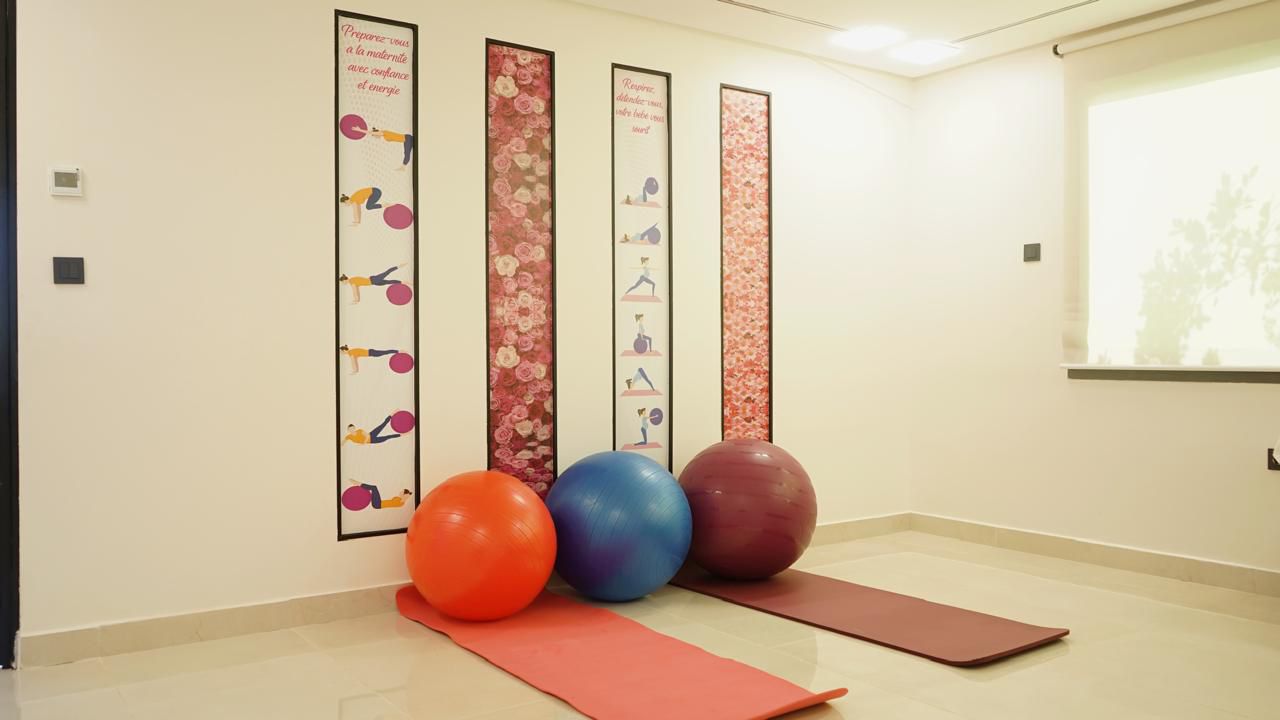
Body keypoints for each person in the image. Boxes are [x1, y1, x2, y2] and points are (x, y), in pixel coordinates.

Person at [339, 263, 409, 303]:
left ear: (344, 280)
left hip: (374, 280)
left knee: (387, 273)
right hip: (374, 282)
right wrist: (357, 299)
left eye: (342, 282)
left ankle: (399, 266)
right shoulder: (352, 280)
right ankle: (403, 282)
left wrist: (356, 299)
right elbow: (357, 290)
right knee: (388, 281)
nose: (343, 284)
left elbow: (355, 291)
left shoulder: (352, 281)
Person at [347, 479, 411, 509]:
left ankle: (358, 484)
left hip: (378, 504)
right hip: (379, 502)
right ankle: (359, 486)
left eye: (401, 492)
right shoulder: (399, 499)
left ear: (405, 495)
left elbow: (406, 497)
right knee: (373, 489)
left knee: (374, 488)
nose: (400, 492)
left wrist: (408, 494)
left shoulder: (402, 502)